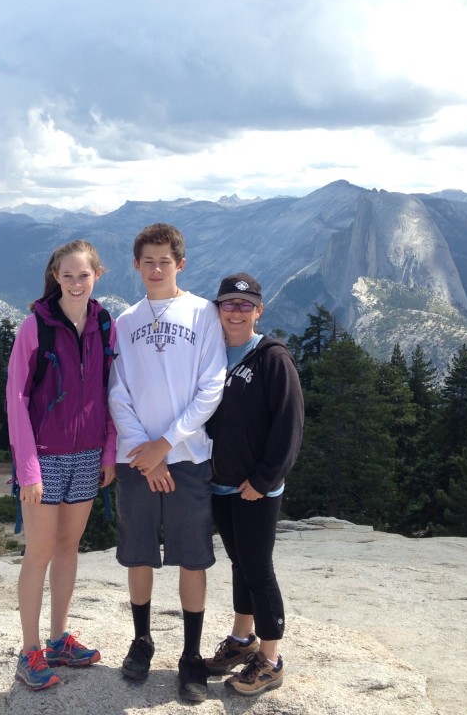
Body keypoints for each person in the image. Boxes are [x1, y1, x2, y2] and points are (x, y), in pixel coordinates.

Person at [107, 222, 227, 703]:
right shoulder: (125, 321)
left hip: (189, 458)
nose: (157, 268)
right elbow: (118, 393)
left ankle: (191, 656)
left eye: (165, 260)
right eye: (148, 260)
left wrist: (168, 443)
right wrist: (145, 452)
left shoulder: (202, 314)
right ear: (136, 265)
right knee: (138, 553)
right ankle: (142, 641)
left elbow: (211, 386)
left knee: (192, 558)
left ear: (181, 263)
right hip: (138, 462)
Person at [5, 239, 117, 691]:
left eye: (83, 275)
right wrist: (27, 468)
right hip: (46, 458)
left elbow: (111, 392)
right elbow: (16, 398)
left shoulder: (104, 324)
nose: (75, 283)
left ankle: (57, 640)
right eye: (67, 275)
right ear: (55, 277)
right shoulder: (36, 326)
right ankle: (29, 650)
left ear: (97, 276)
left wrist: (108, 452)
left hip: (88, 454)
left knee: (69, 548)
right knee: (39, 552)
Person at [202, 273, 304, 696]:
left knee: (259, 569)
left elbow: (290, 424)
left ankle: (271, 659)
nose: (237, 312)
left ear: (259, 311)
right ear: (218, 310)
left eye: (246, 306)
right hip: (220, 483)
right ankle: (243, 641)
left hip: (256, 488)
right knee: (240, 564)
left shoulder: (271, 358)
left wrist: (263, 480)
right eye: (229, 304)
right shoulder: (209, 355)